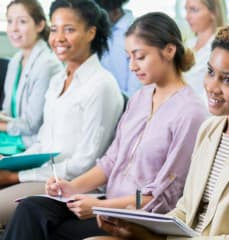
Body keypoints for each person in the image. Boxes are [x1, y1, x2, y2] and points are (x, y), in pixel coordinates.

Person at [91, 17, 229, 240]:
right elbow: (185, 210)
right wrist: (140, 229)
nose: (212, 87)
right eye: (211, 72)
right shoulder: (211, 129)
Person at [3, 12, 207, 240]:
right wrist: (71, 187)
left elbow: (162, 197)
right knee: (32, 209)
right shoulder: (141, 98)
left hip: (136, 218)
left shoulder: (191, 113)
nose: (132, 66)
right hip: (107, 207)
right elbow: (110, 162)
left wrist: (103, 206)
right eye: (128, 57)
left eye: (139, 57)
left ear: (169, 51)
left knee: (45, 228)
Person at [0, 0, 123, 229]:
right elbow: (43, 142)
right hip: (45, 175)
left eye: (69, 29)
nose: (58, 38)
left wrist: (15, 177)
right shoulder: (58, 81)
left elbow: (85, 162)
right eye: (55, 29)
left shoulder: (101, 85)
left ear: (90, 33)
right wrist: (9, 164)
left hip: (70, 186)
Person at [0, 0, 63, 156]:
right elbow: (7, 112)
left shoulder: (47, 64)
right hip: (11, 137)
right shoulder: (15, 60)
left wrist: (2, 125)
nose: (14, 28)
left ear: (40, 25)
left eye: (22, 21)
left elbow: (32, 125)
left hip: (31, 143)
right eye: (9, 21)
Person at [95, 0, 141, 97]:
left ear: (116, 12)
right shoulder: (100, 31)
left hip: (126, 102)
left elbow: (136, 84)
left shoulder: (136, 32)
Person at [184, 0, 226, 102]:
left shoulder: (221, 48)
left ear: (213, 13)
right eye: (186, 10)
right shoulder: (188, 45)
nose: (187, 17)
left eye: (194, 10)